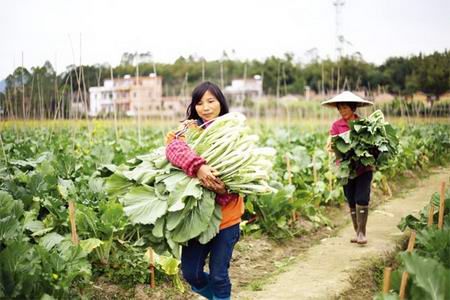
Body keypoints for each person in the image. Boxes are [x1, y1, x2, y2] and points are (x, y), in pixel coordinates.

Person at [165, 81, 244, 300]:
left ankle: (221, 296)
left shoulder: (233, 132)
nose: (206, 107)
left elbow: (241, 175)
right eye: (199, 103)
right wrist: (198, 168)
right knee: (191, 273)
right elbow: (173, 147)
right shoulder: (189, 128)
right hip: (196, 216)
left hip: (226, 218)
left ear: (221, 103)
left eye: (211, 101)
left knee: (219, 275)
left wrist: (223, 189)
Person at [322, 91, 374, 245]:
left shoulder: (364, 125)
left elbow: (372, 144)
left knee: (361, 198)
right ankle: (357, 231)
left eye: (345, 108)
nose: (342, 111)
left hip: (364, 168)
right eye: (340, 109)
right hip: (345, 169)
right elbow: (331, 145)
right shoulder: (336, 126)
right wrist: (335, 146)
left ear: (352, 108)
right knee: (351, 200)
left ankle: (362, 234)